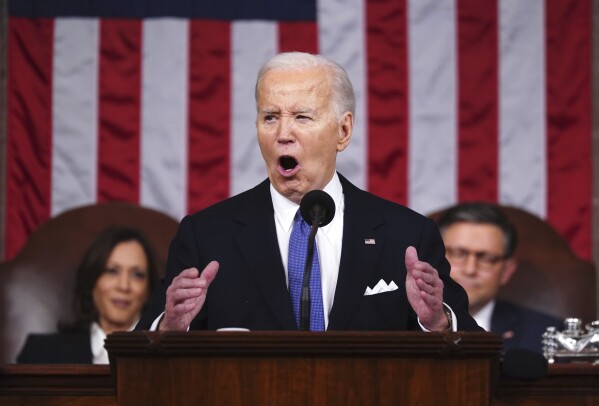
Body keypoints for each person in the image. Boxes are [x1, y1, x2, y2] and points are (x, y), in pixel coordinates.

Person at [136, 51, 480, 333]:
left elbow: (471, 348)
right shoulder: (207, 235)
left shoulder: (406, 234)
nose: (283, 133)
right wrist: (170, 327)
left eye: (302, 117)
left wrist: (436, 321)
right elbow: (144, 349)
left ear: (343, 131)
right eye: (270, 117)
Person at [17, 227, 159, 364]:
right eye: (112, 271)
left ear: (148, 291)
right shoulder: (40, 353)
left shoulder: (164, 358)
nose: (124, 286)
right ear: (92, 282)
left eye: (137, 275)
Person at [436, 202, 563, 353]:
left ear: (506, 271)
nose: (470, 269)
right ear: (435, 259)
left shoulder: (544, 334)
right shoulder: (403, 323)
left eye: (487, 258)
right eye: (458, 254)